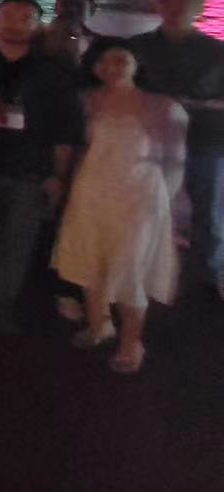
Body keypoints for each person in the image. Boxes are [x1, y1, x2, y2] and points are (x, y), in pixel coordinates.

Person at [52, 43, 188, 374]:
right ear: (95, 67)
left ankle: (131, 342)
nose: (112, 66)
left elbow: (175, 162)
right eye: (104, 61)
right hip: (91, 190)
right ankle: (99, 324)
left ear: (136, 64)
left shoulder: (162, 106)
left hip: (138, 197)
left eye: (121, 59)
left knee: (130, 266)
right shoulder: (86, 101)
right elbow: (75, 146)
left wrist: (170, 210)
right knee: (89, 256)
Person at [0, 0, 82, 331]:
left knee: (17, 244)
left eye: (26, 17)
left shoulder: (56, 72)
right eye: (9, 16)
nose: (16, 22)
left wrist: (57, 177)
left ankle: (2, 304)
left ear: (38, 26)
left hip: (30, 170)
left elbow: (65, 130)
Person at [128, 0, 224, 302]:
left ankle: (211, 273)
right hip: (150, 139)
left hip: (205, 137)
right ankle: (142, 264)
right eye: (170, 2)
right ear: (159, 5)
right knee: (146, 202)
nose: (177, 9)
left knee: (209, 209)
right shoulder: (137, 47)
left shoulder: (216, 51)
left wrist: (195, 104)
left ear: (199, 10)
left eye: (186, 4)